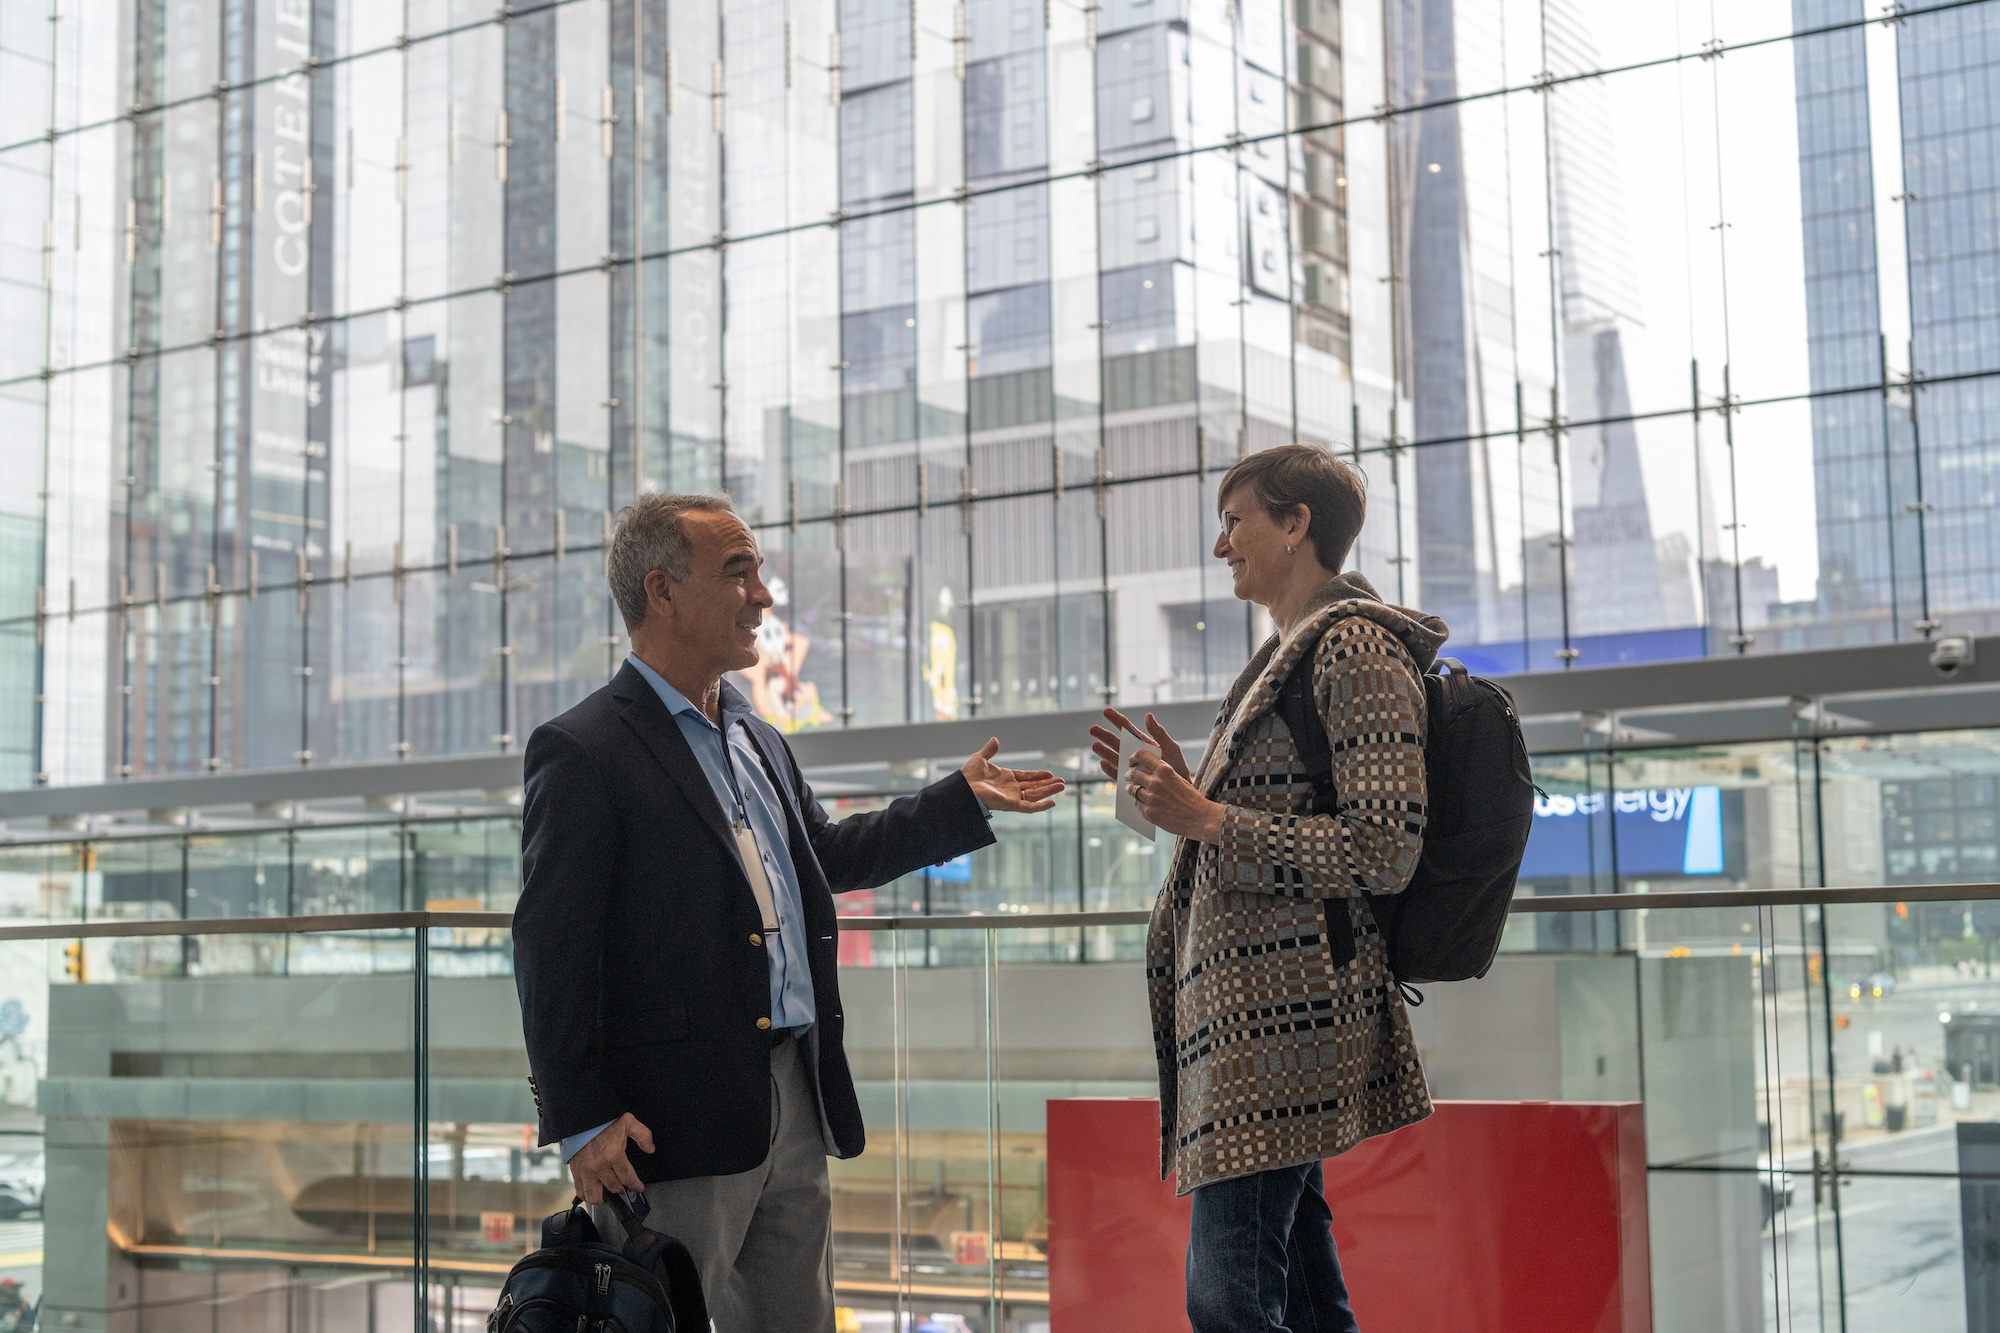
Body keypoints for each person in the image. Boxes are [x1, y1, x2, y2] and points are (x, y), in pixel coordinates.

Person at [514, 491, 1064, 1333]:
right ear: (661, 592)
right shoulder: (584, 748)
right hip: (672, 1121)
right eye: (740, 572)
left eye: (760, 571)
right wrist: (582, 1118)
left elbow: (827, 855)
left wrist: (959, 800)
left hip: (793, 1094)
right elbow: (551, 945)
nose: (764, 595)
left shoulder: (755, 733)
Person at [1088, 444, 1443, 1333]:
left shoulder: (1355, 648)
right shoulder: (1285, 654)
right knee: (1307, 1296)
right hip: (1258, 1028)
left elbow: (1386, 849)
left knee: (1228, 1295)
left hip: (1285, 1032)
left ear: (1296, 525)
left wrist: (1206, 818)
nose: (1221, 547)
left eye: (1235, 522)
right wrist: (1185, 784)